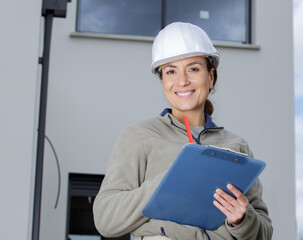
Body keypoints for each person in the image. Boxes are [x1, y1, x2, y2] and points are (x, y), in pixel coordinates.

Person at [93, 22, 273, 240]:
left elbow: (264, 232)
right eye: (171, 71)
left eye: (193, 69)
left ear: (211, 76)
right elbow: (106, 220)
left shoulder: (236, 147)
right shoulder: (139, 136)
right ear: (163, 81)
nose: (182, 81)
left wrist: (241, 219)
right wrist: (169, 181)